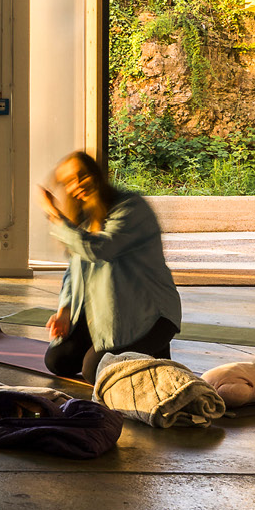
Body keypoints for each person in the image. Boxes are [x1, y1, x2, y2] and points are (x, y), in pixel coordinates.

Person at [38, 151, 182, 382]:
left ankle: (154, 350)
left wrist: (55, 216)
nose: (77, 185)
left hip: (150, 317)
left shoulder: (131, 208)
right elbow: (74, 270)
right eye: (69, 183)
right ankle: (140, 354)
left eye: (81, 176)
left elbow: (98, 249)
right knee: (57, 361)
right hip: (107, 314)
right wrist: (65, 309)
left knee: (93, 371)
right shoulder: (85, 218)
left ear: (96, 174)